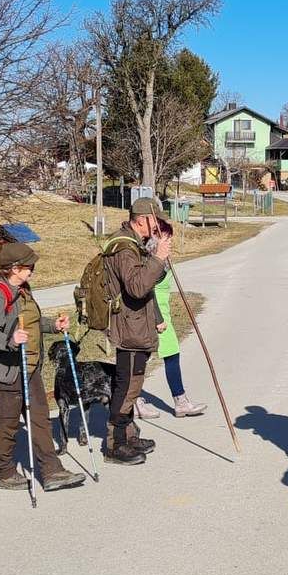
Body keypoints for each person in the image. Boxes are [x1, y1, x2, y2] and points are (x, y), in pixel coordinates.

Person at [0, 243, 87, 492]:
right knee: (8, 423)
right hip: (6, 371)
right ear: (14, 268)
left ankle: (52, 471)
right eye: (29, 266)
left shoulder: (23, 289)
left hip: (30, 367)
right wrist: (11, 341)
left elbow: (31, 321)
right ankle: (3, 472)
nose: (33, 270)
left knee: (40, 420)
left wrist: (53, 326)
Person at [102, 197, 172, 464]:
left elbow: (147, 281)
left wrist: (158, 260)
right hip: (129, 327)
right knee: (127, 386)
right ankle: (115, 444)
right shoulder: (124, 248)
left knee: (133, 384)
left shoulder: (135, 244)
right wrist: (157, 258)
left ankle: (129, 435)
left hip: (138, 324)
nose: (158, 224)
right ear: (142, 219)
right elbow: (136, 287)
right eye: (155, 220)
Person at [135, 222, 207, 421]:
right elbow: (148, 291)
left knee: (167, 354)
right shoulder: (152, 261)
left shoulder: (162, 260)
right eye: (167, 237)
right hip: (152, 316)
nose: (171, 241)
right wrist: (158, 319)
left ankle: (179, 401)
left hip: (162, 315)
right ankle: (136, 400)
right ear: (156, 239)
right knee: (142, 358)